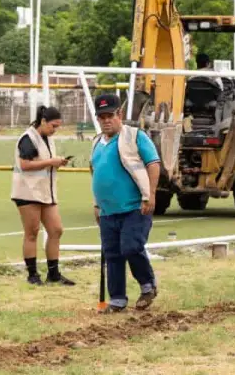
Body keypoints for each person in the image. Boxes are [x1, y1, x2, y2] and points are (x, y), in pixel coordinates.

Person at [89, 94, 160, 313]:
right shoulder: (96, 143)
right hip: (108, 211)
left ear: (119, 114)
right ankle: (117, 299)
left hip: (135, 207)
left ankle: (148, 285)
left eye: (110, 115)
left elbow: (153, 163)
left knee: (131, 247)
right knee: (112, 254)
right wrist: (96, 205)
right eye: (101, 117)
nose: (106, 120)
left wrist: (151, 195)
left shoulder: (135, 136)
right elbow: (95, 175)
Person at [12, 106, 73, 286]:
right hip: (27, 192)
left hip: (46, 193)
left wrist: (57, 162)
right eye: (53, 126)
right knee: (32, 233)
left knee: (56, 230)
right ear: (43, 121)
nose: (55, 130)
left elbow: (43, 163)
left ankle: (53, 274)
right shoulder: (28, 138)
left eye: (57, 127)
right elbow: (25, 164)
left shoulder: (47, 138)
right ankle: (32, 275)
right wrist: (51, 162)